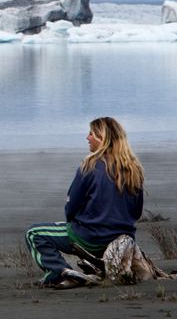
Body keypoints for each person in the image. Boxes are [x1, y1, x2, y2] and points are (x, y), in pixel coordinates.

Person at [24, 116, 145, 288]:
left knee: (33, 233)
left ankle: (58, 274)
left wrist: (77, 223)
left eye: (91, 134)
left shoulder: (90, 166)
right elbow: (136, 212)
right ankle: (95, 268)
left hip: (90, 237)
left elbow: (71, 207)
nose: (87, 138)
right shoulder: (134, 170)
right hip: (122, 238)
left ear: (103, 139)